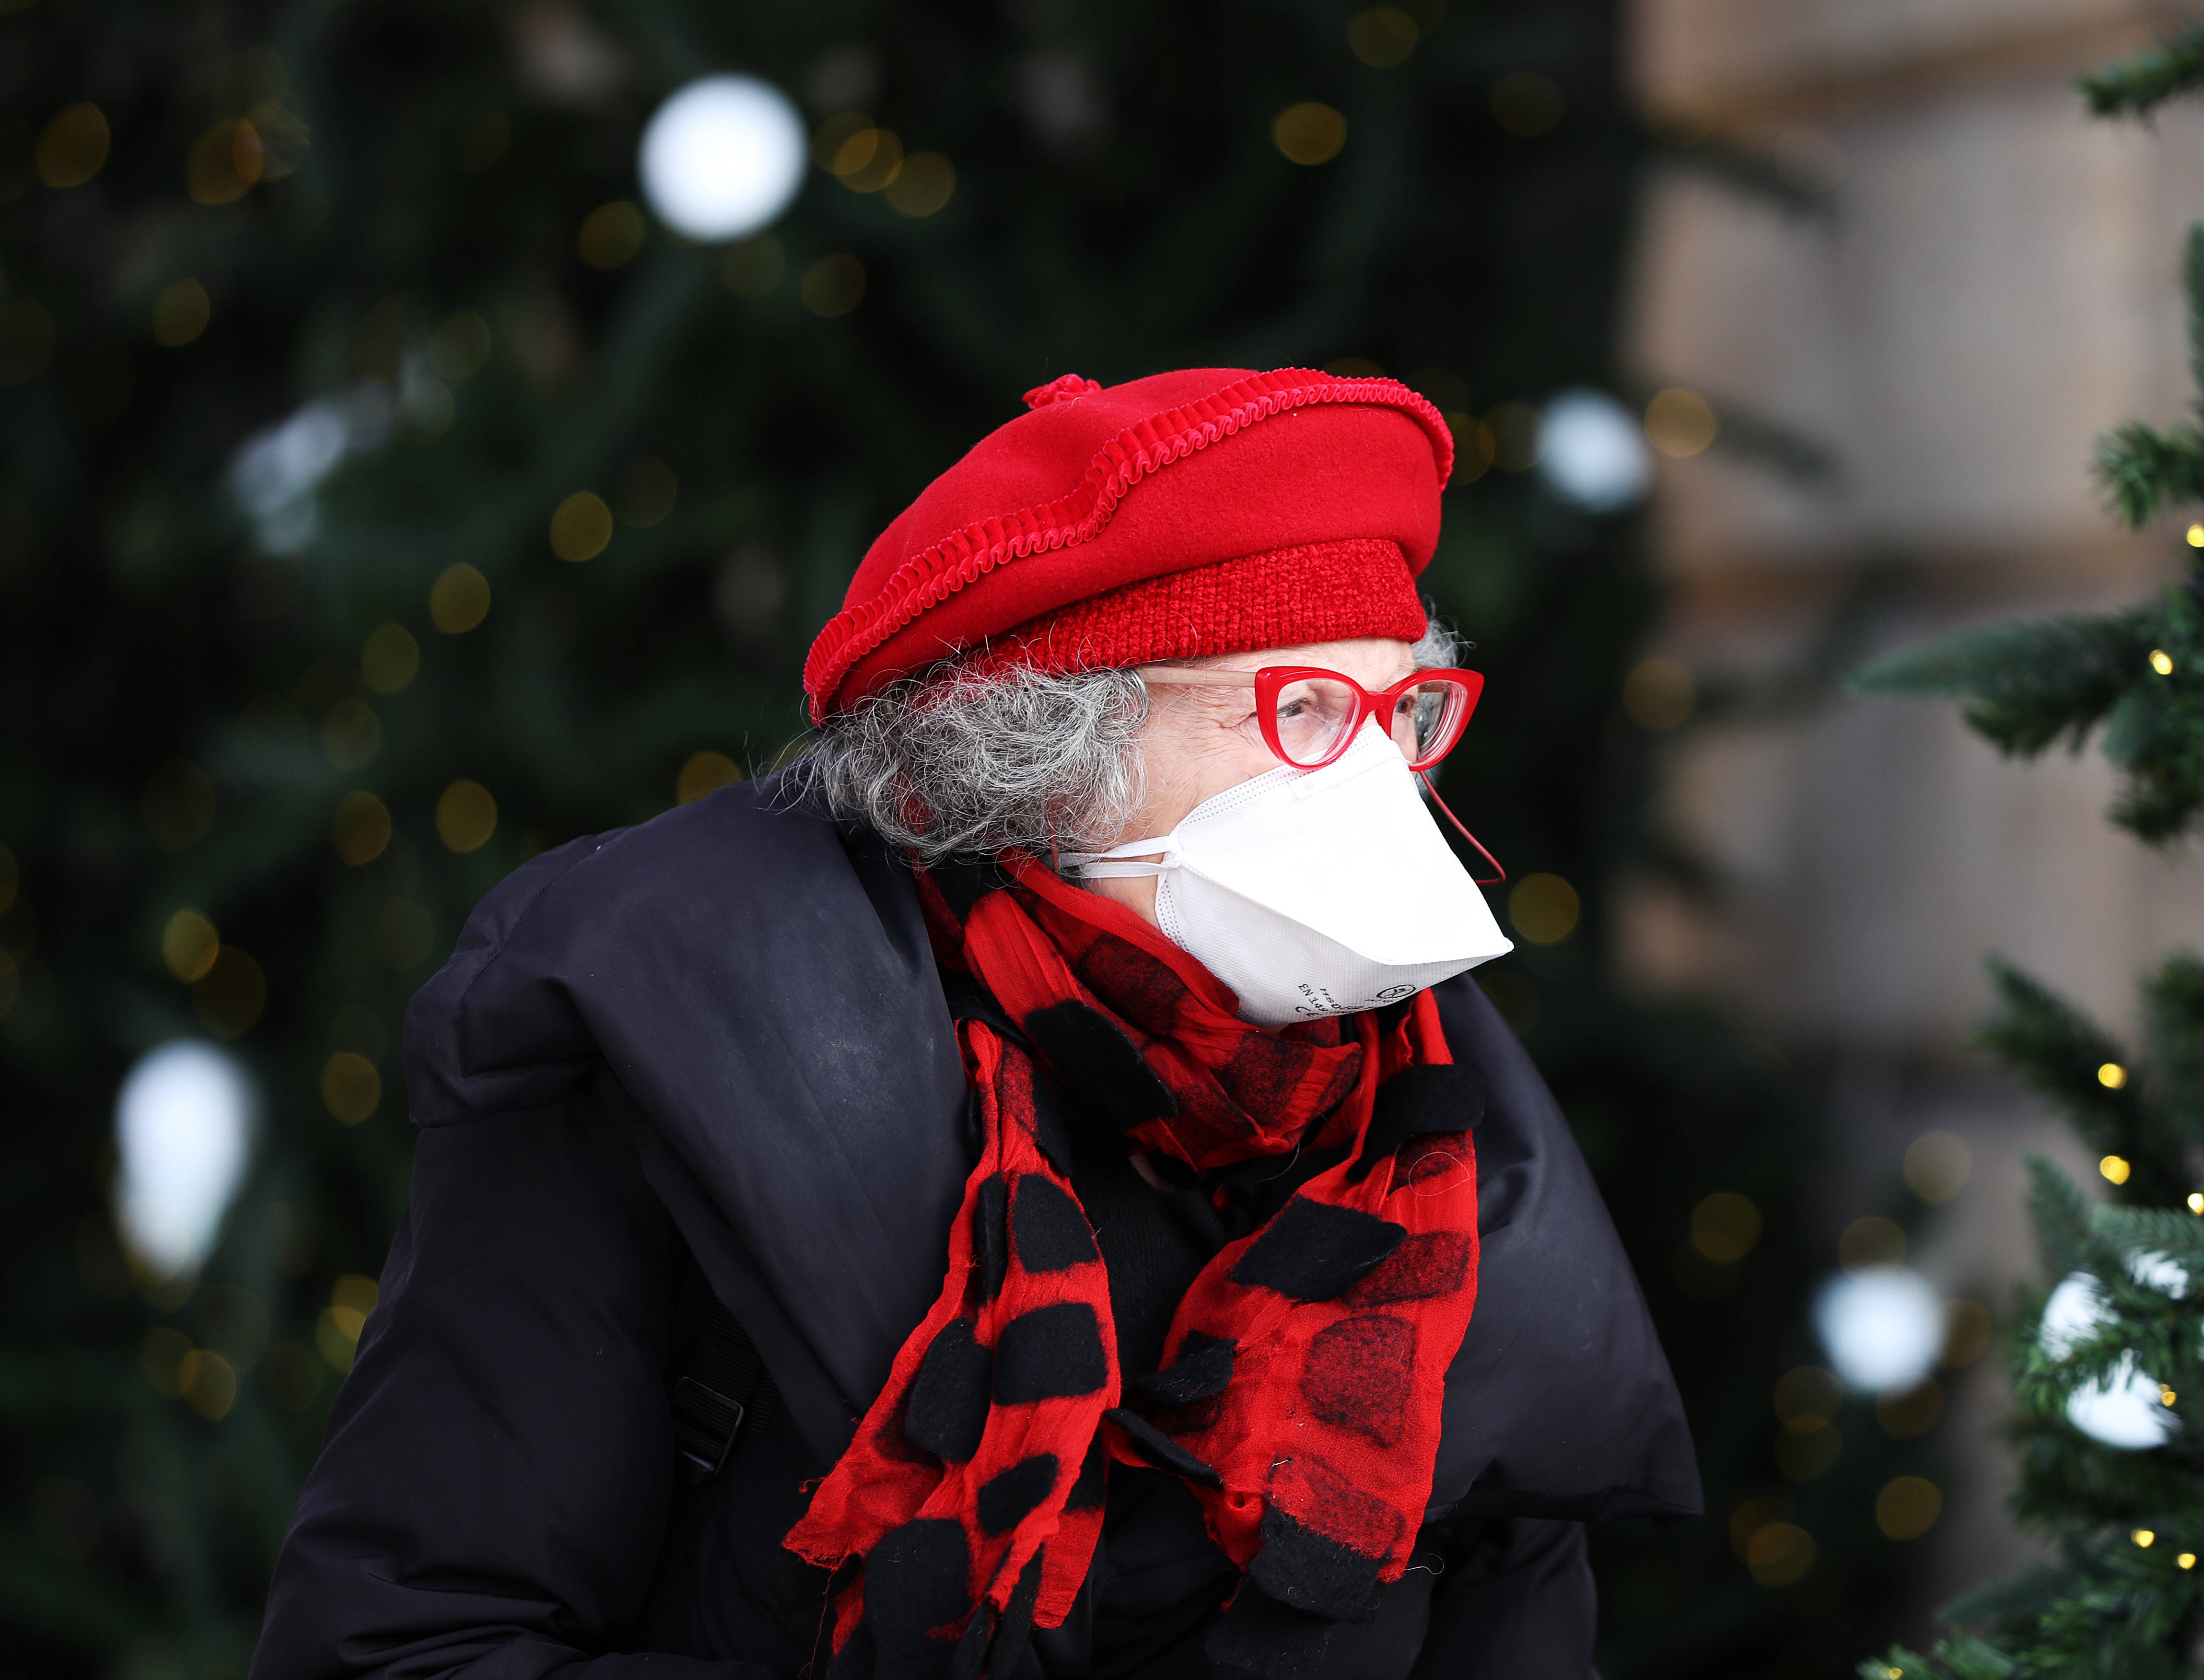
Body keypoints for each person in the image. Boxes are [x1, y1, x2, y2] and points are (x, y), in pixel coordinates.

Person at [252, 367, 1697, 1680]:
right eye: (1308, 713)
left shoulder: (1442, 1163)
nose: (1382, 789)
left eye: (1406, 715)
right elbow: (404, 1649)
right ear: (1049, 755)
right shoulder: (670, 1056)